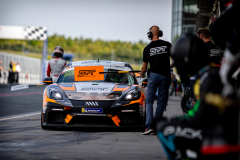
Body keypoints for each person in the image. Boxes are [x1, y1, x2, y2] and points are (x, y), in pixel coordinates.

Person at [156, 35, 238, 160]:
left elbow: (200, 117)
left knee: (165, 129)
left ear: (186, 60)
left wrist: (172, 122)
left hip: (220, 137)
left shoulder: (209, 79)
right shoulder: (208, 75)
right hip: (219, 132)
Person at [140, 25, 172, 135]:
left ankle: (149, 126)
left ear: (150, 34)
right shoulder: (167, 45)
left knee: (149, 101)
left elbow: (144, 68)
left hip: (153, 75)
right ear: (160, 33)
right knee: (161, 102)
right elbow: (176, 59)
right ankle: (156, 126)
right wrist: (169, 66)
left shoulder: (147, 48)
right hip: (165, 75)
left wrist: (142, 74)